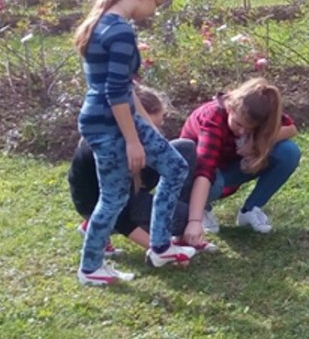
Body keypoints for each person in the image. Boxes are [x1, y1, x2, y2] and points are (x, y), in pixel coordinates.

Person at [73, 0, 196, 286]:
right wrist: (132, 140)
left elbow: (125, 87)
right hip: (110, 122)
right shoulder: (121, 31)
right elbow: (115, 93)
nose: (153, 10)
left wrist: (147, 127)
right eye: (155, 3)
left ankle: (149, 250)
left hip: (105, 118)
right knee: (126, 191)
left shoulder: (99, 22)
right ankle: (136, 253)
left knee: (163, 171)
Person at [69, 85, 217, 253]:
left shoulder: (136, 138)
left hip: (133, 186)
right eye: (150, 130)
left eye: (157, 129)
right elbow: (119, 215)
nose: (155, 136)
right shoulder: (110, 151)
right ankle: (95, 228)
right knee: (182, 217)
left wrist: (194, 220)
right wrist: (161, 250)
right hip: (106, 206)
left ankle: (183, 233)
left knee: (185, 148)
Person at [180, 77, 300, 246]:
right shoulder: (213, 119)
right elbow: (203, 170)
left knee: (288, 152)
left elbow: (291, 129)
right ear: (230, 107)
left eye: (249, 128)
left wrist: (258, 143)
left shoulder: (258, 109)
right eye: (238, 124)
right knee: (211, 180)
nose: (242, 131)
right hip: (195, 177)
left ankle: (250, 210)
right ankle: (202, 209)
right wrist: (194, 220)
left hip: (229, 168)